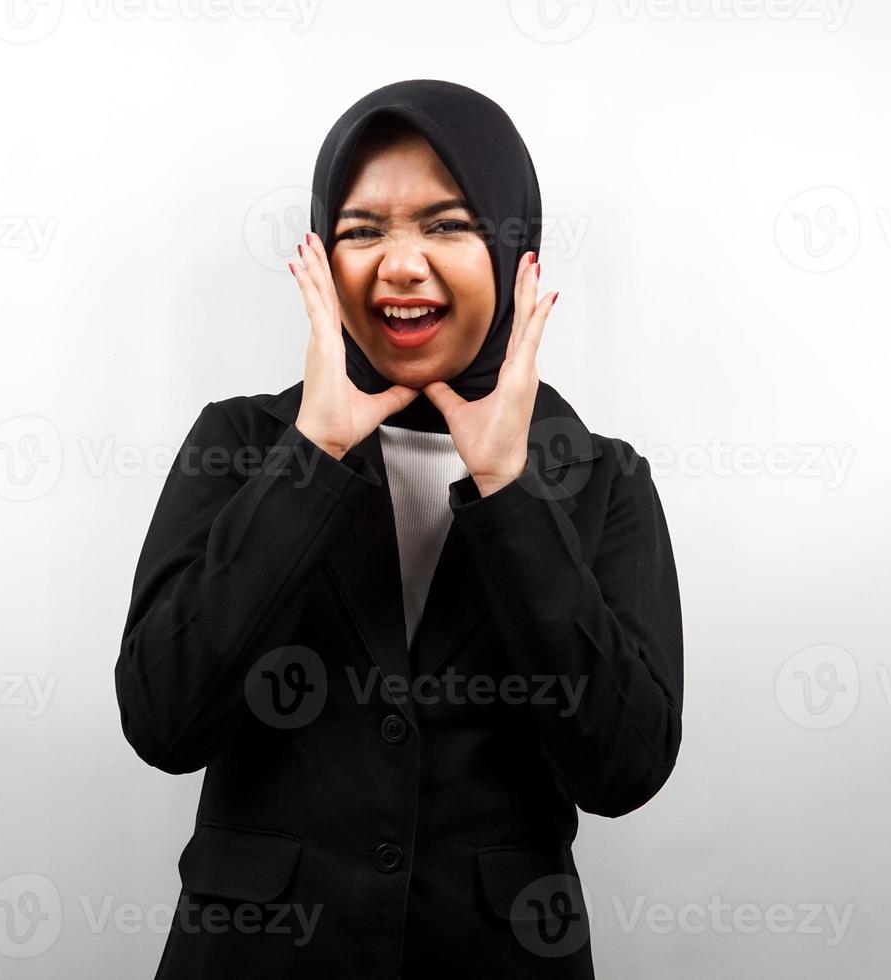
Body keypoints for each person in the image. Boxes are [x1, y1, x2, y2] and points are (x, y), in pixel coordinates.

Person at [116, 78, 684, 979]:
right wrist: (313, 454)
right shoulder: (240, 445)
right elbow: (163, 723)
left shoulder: (601, 481)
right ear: (319, 258)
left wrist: (507, 487)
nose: (402, 264)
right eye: (362, 230)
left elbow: (622, 770)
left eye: (448, 225)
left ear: (516, 254)